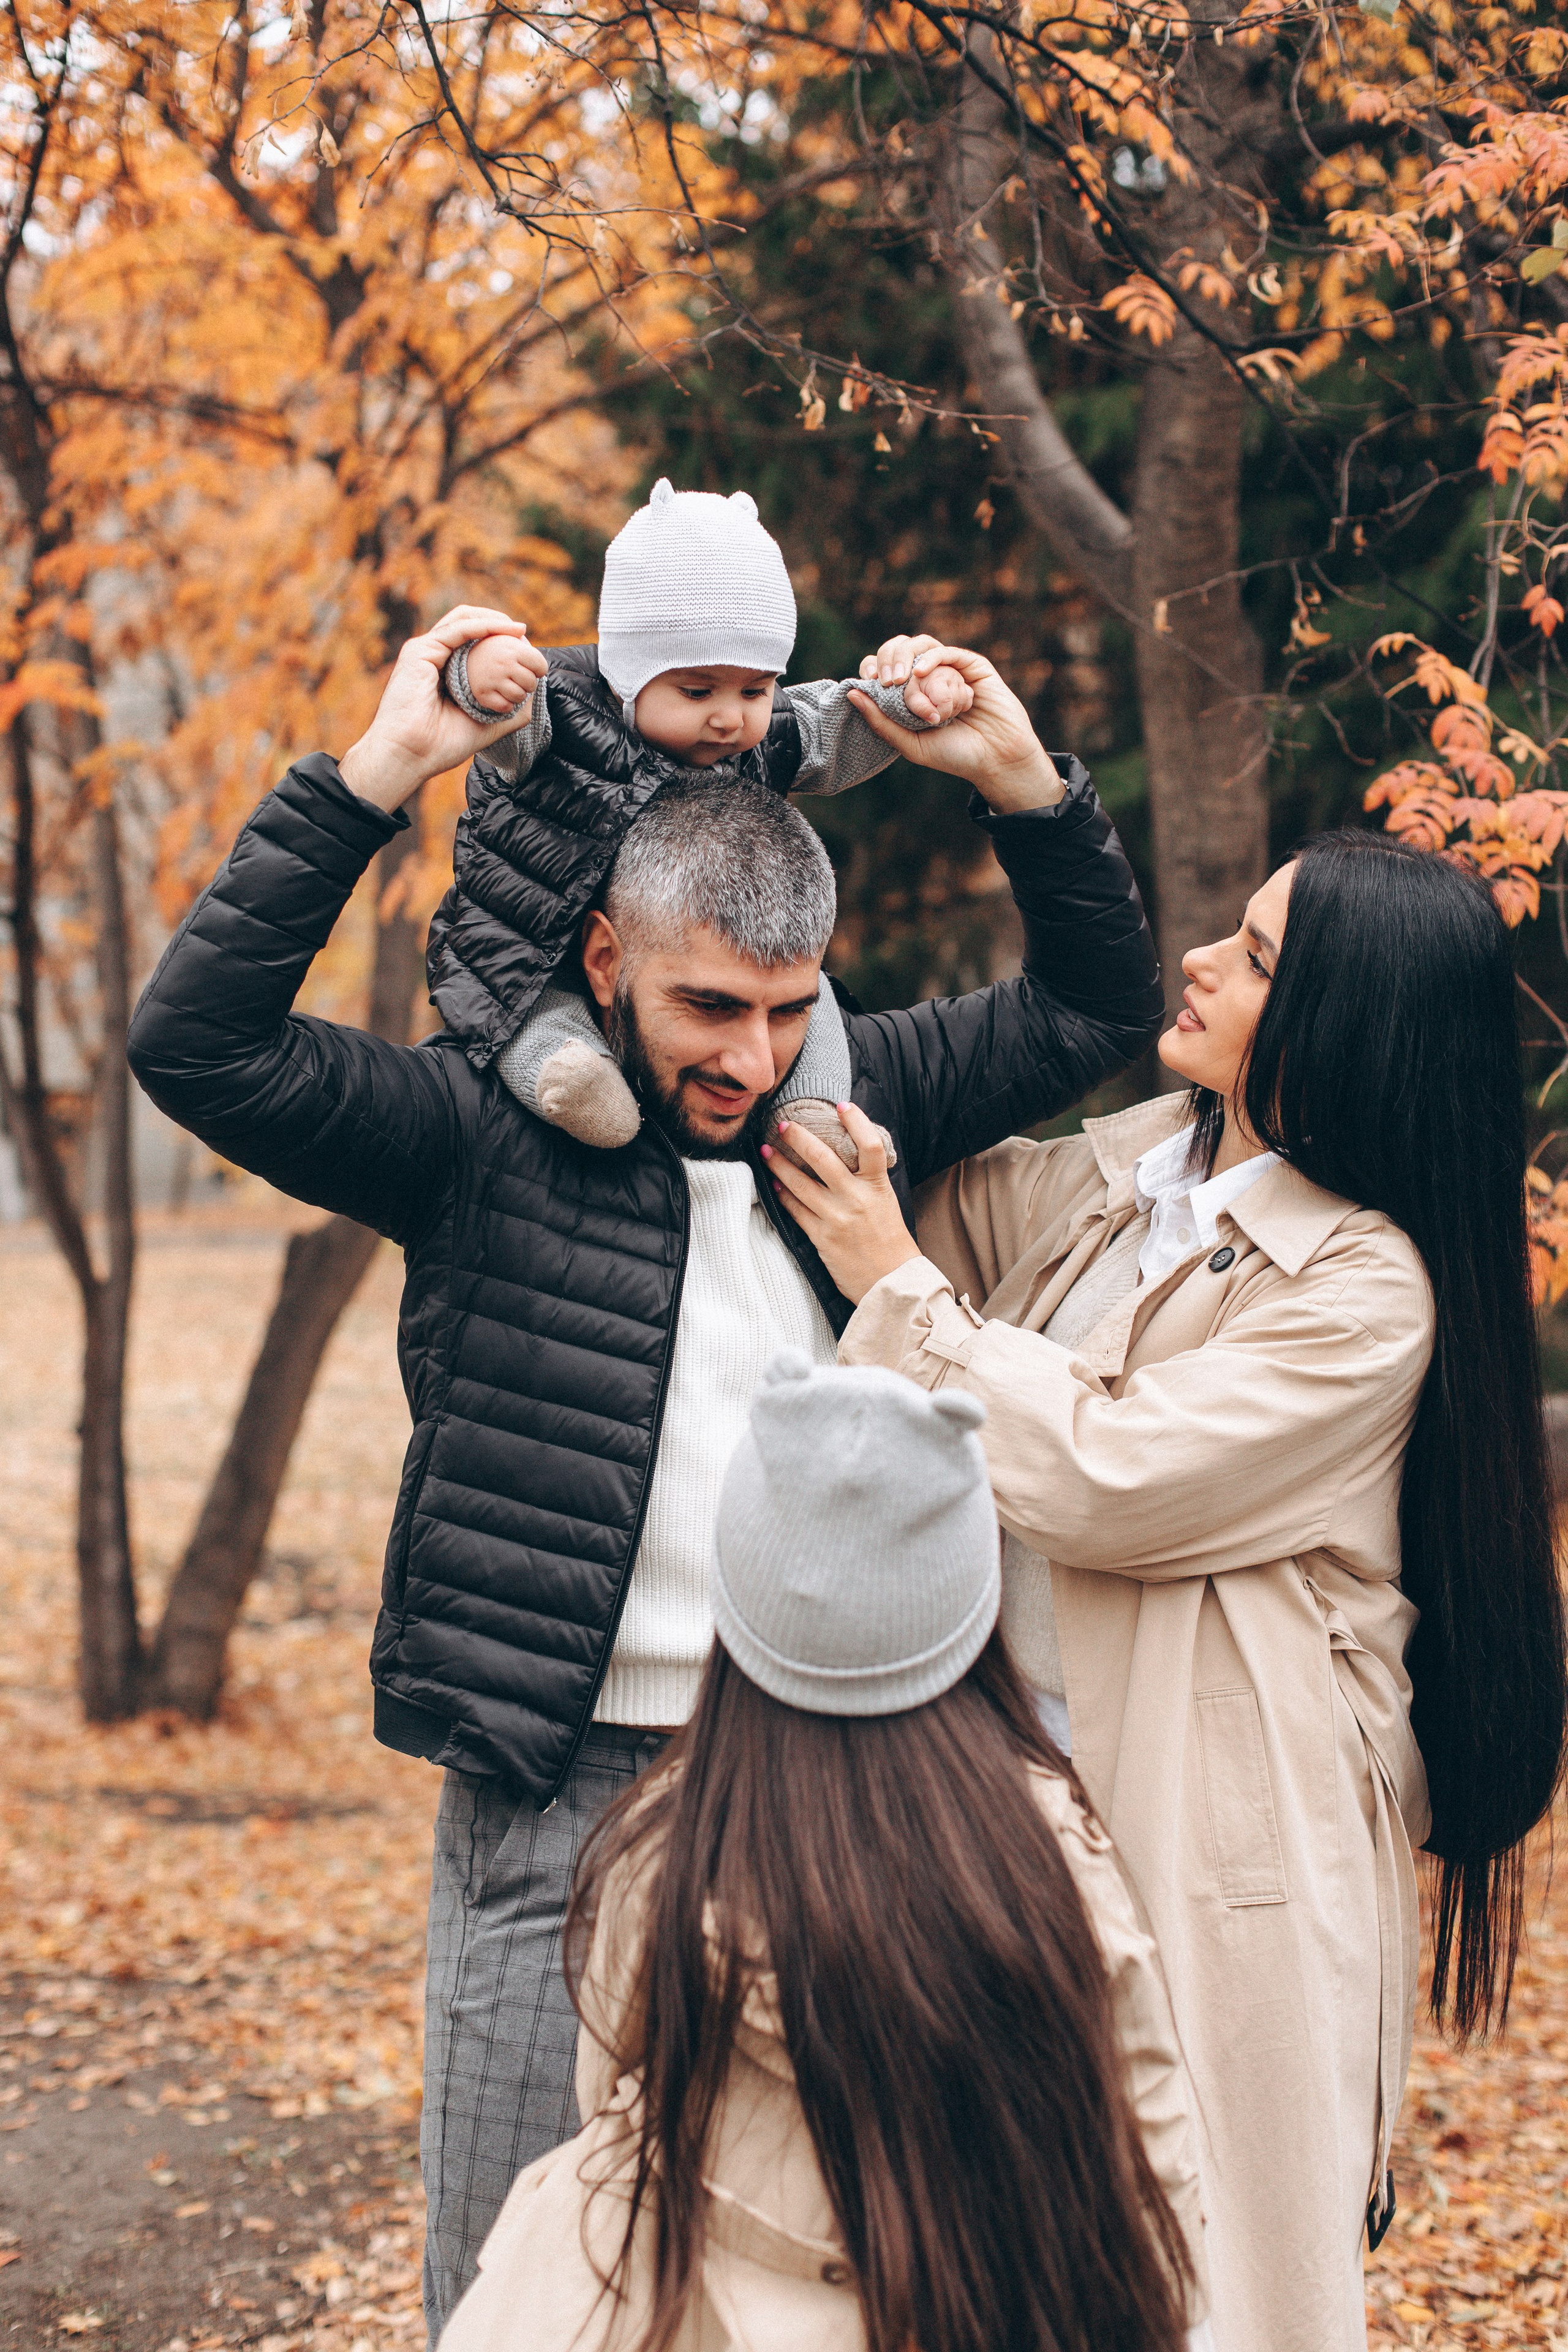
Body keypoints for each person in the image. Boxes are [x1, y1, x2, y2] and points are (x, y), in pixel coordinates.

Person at [125, 605, 1164, 2339]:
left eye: (783, 1010)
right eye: (704, 1007)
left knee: (821, 2284)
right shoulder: (477, 1134)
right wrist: (385, 766)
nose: (747, 1060)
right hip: (554, 1778)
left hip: (835, 1783)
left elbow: (1098, 1002)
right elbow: (199, 1044)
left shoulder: (855, 1107)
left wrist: (1020, 782)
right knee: (512, 2284)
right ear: (604, 962)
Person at [764, 821, 1568, 2352]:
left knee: (1207, 2283)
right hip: (1018, 1824)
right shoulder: (1138, 1172)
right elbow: (930, 1194)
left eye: (1255, 955)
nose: (1200, 957)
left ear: (1340, 1021)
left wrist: (892, 1279)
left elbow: (1101, 1475)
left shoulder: (1359, 1284)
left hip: (1213, 1861)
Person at [440, 1352, 1210, 2352]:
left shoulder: (666, 1848)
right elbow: (1152, 2140)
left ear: (741, 1601)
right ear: (970, 1602)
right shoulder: (1053, 1860)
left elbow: (612, 2103)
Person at [428, 477, 971, 1156]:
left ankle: (812, 1110)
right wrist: (477, 675)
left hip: (678, 957)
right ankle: (568, 1079)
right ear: (628, 677)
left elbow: (834, 729)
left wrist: (908, 696)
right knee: (527, 1006)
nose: (728, 715)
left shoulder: (751, 736)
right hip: (540, 934)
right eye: (695, 690)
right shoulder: (562, 714)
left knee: (808, 998)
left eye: (754, 688)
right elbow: (504, 723)